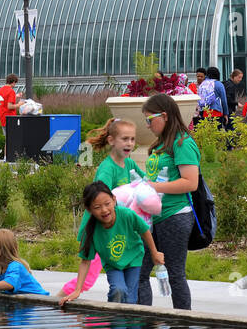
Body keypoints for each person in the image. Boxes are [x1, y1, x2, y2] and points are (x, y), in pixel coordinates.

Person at [137, 93, 201, 310]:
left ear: (164, 116)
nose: (147, 125)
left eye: (149, 119)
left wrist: (153, 187)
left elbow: (190, 183)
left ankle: (182, 321)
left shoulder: (183, 143)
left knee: (175, 274)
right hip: (152, 217)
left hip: (175, 216)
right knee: (139, 272)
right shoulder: (161, 143)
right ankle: (142, 322)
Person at [61, 181, 164, 306]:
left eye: (107, 204)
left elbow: (144, 231)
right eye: (97, 207)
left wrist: (154, 252)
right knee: (118, 290)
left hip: (133, 259)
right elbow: (85, 261)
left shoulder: (127, 215)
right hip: (113, 264)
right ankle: (114, 318)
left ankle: (129, 323)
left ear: (114, 200)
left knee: (130, 299)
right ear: (89, 209)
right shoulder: (90, 230)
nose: (104, 210)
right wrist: (77, 290)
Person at [0, 229, 48, 295]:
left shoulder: (15, 266)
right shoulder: (3, 268)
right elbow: (1, 277)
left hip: (37, 302)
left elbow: (9, 283)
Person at [89, 118, 144, 188]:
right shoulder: (107, 169)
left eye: (132, 139)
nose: (130, 144)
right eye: (125, 139)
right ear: (111, 140)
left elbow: (146, 180)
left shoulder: (130, 163)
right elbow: (103, 197)